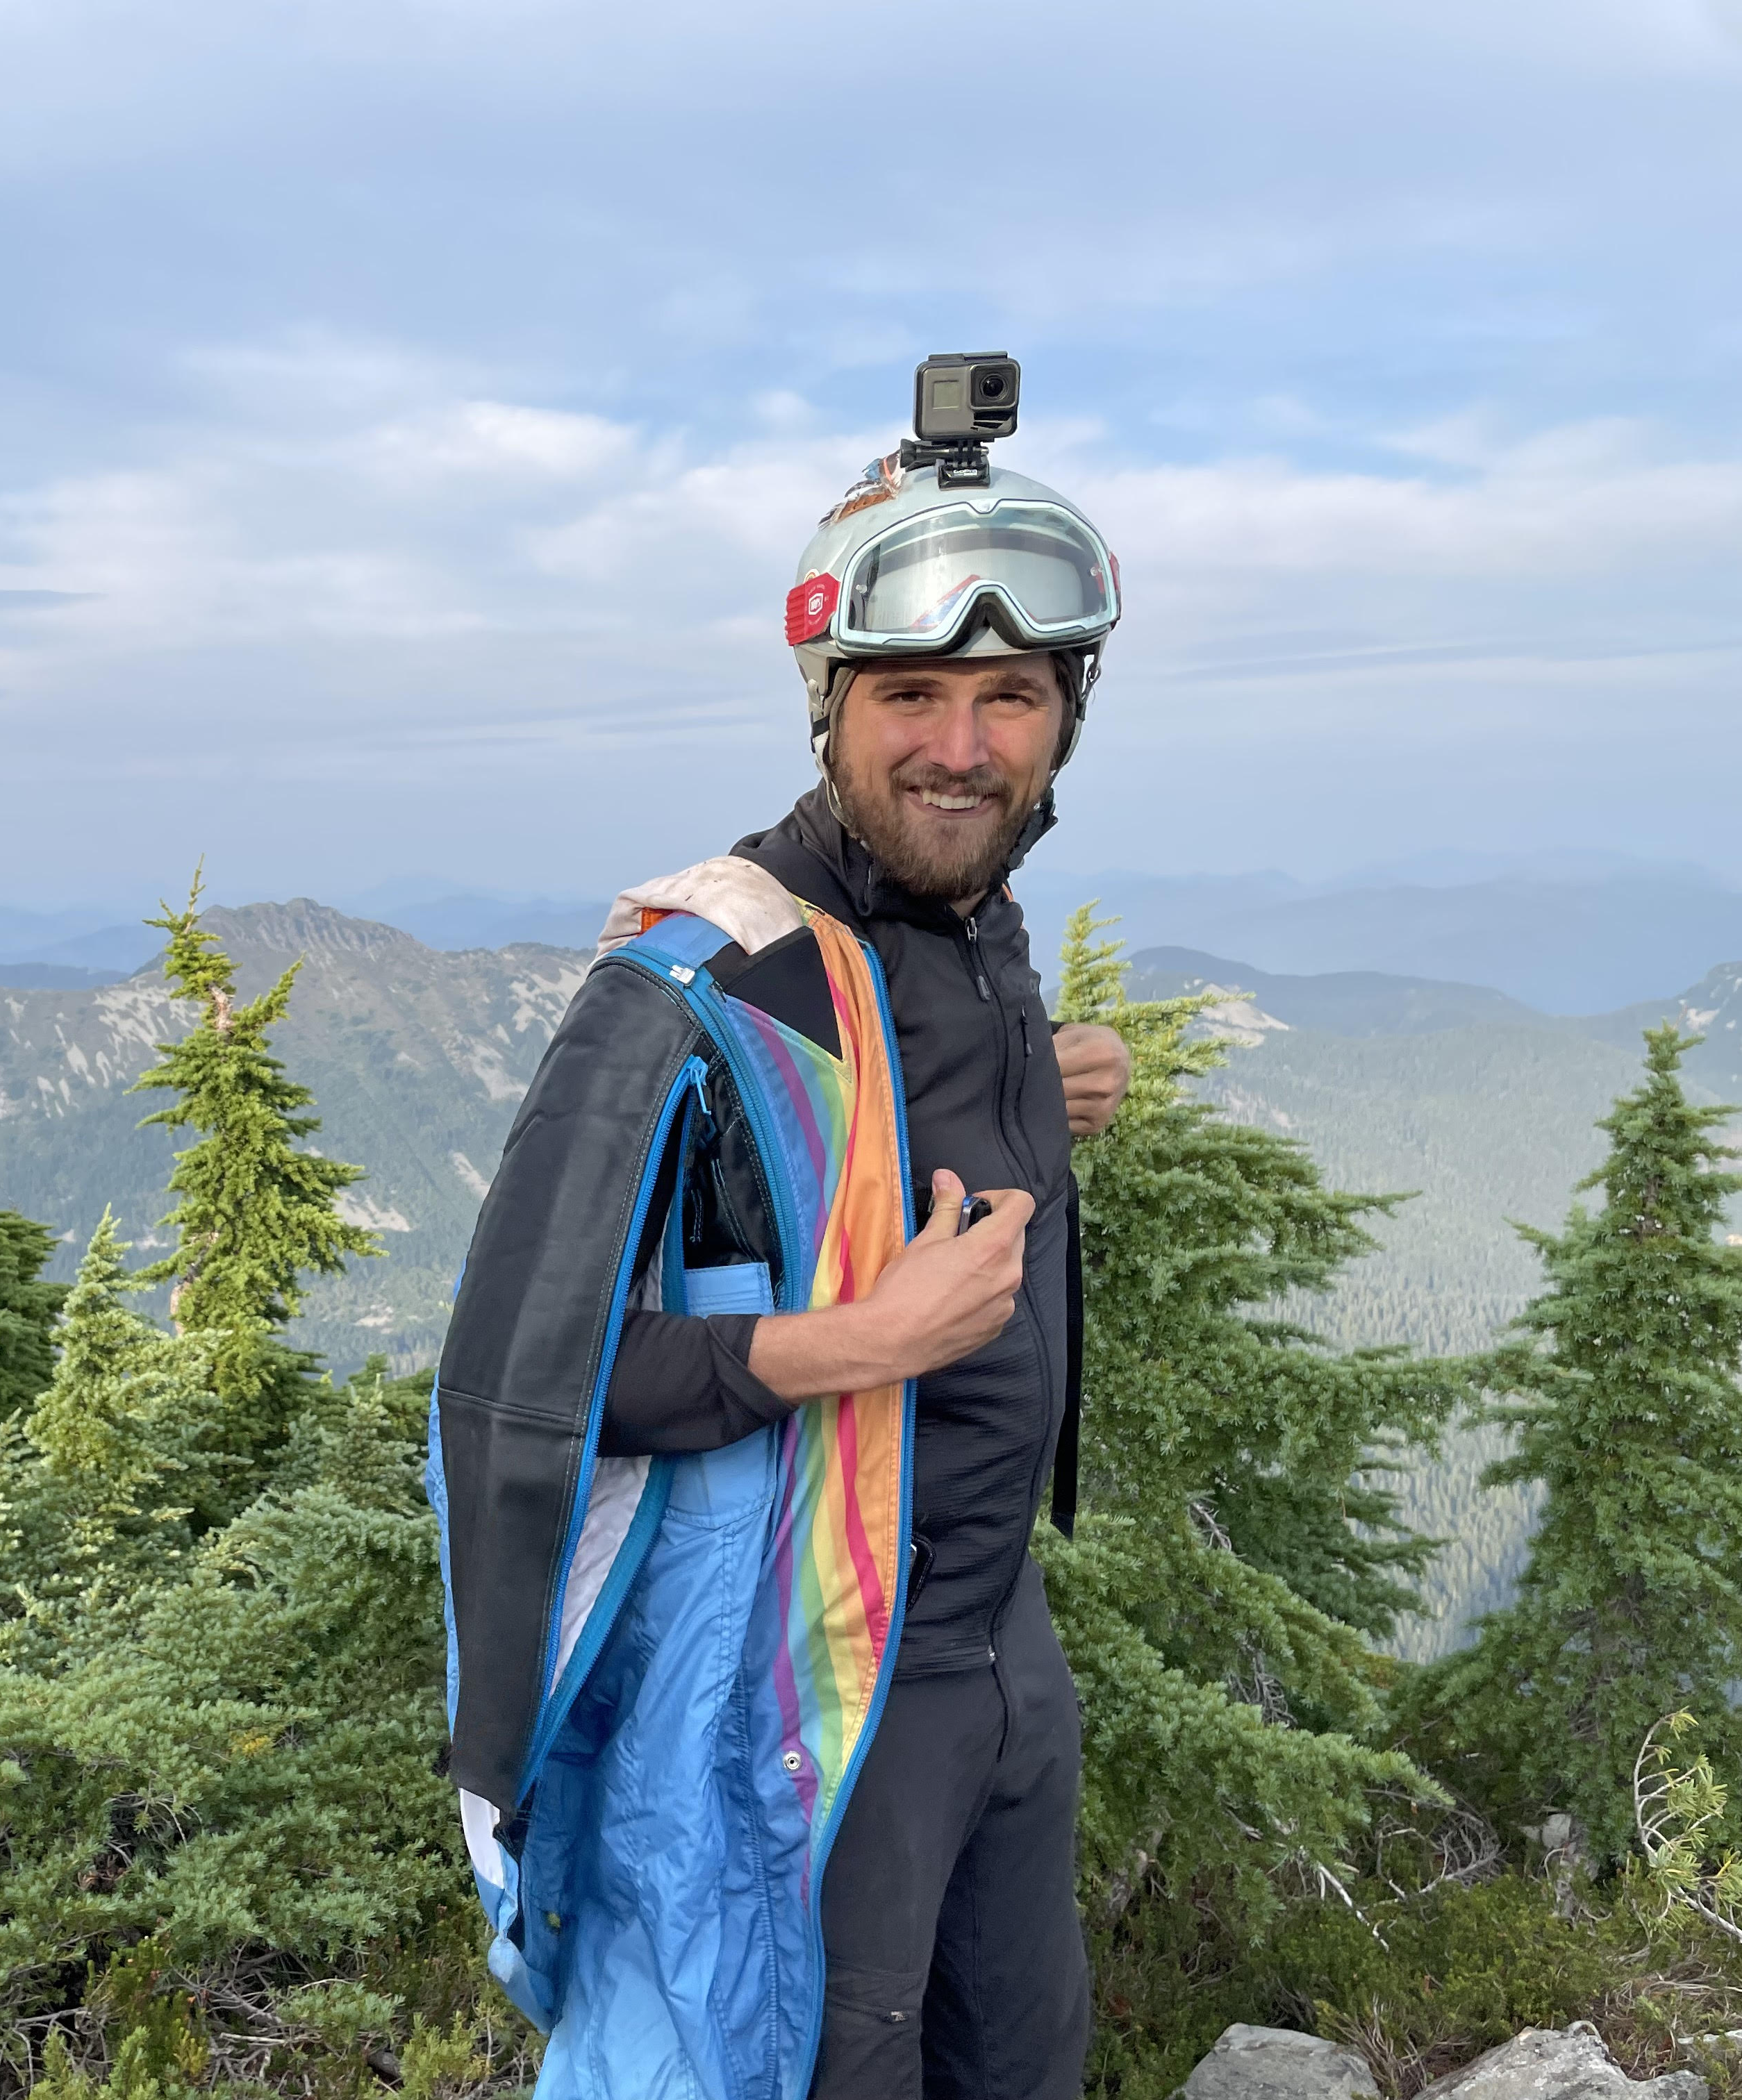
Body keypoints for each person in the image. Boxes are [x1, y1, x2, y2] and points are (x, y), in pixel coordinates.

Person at [430, 417, 1134, 2100]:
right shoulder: (701, 985)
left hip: (996, 1652)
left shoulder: (980, 926)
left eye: (1012, 698)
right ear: (831, 707)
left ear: (1065, 722)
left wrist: (1045, 1075)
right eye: (910, 696)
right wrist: (855, 1342)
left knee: (1021, 2063)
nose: (961, 746)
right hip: (820, 1694)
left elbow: (890, 1131)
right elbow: (514, 1391)